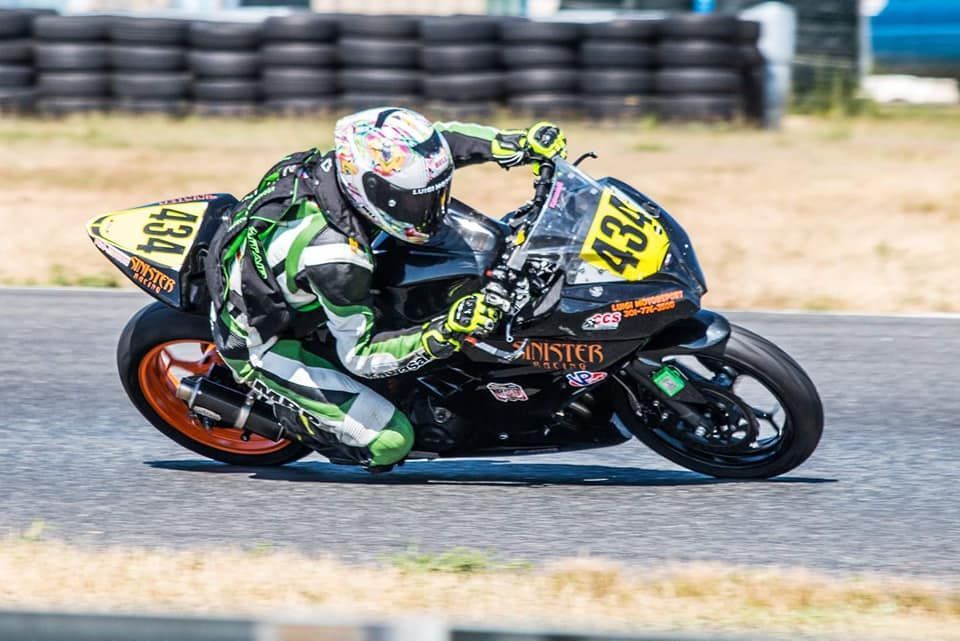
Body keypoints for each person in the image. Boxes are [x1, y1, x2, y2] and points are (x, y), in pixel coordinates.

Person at [205, 107, 567, 470]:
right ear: (371, 190)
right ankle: (296, 418)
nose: (428, 208)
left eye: (431, 195)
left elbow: (439, 147)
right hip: (260, 339)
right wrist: (446, 331)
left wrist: (514, 142)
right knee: (391, 442)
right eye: (412, 202)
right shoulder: (337, 259)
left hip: (289, 278)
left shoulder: (355, 164)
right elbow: (359, 356)